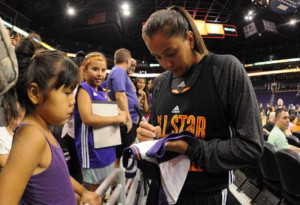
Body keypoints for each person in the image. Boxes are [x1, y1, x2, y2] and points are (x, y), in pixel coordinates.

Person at [137, 6, 263, 205]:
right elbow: (157, 137)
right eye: (157, 57)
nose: (166, 63)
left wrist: (192, 148)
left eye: (171, 52)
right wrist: (147, 139)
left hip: (207, 195)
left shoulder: (226, 70)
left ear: (189, 39)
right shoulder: (160, 82)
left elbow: (251, 146)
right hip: (162, 190)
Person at [0, 38, 101, 205]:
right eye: (67, 93)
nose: (72, 101)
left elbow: (57, 173)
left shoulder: (44, 129)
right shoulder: (31, 136)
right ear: (35, 93)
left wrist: (83, 191)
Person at [74, 52, 127, 191]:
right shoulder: (84, 89)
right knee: (94, 192)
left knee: (105, 190)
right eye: (95, 69)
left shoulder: (103, 92)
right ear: (84, 71)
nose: (100, 74)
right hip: (93, 153)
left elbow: (117, 111)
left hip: (107, 150)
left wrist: (122, 115)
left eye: (103, 70)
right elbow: (88, 118)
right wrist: (117, 118)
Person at [107, 49, 140, 159]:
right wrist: (128, 119)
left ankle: (122, 175)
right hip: (125, 122)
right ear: (128, 60)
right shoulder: (119, 71)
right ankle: (121, 176)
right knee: (123, 157)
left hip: (125, 120)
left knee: (123, 156)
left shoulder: (118, 72)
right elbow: (120, 95)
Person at [61, 50, 86, 184]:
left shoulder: (83, 88)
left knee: (77, 172)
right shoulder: (74, 89)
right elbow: (67, 111)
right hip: (69, 135)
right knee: (74, 173)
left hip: (76, 135)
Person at [0, 88, 25, 168]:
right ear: (7, 105)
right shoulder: (2, 134)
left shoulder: (29, 133)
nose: (19, 109)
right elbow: (5, 164)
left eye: (22, 110)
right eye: (15, 112)